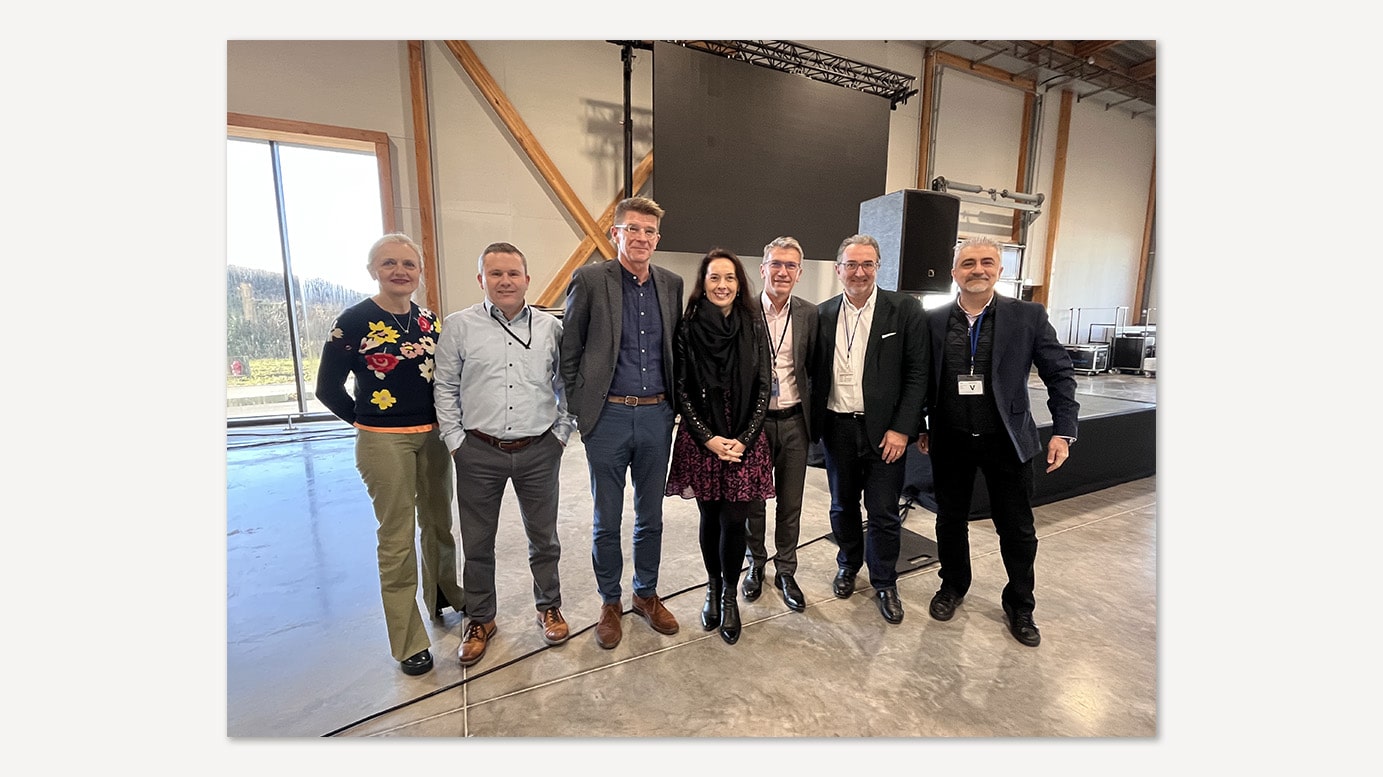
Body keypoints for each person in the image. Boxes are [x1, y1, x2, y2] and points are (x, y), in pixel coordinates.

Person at [314, 232, 465, 677]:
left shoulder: (430, 322)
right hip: (385, 440)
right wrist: (367, 422)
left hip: (434, 436)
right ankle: (408, 640)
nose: (400, 271)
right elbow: (327, 388)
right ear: (372, 270)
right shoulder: (354, 321)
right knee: (396, 537)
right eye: (389, 264)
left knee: (439, 522)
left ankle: (443, 594)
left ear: (419, 272)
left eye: (408, 264)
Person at [917, 236, 1079, 648]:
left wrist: (1064, 429)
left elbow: (1060, 374)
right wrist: (921, 424)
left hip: (1006, 439)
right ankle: (953, 585)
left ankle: (1021, 604)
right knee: (949, 519)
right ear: (954, 273)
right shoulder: (933, 320)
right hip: (950, 438)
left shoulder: (1027, 316)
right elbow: (920, 379)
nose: (978, 270)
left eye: (987, 262)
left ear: (999, 270)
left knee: (1017, 527)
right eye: (968, 263)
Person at [433, 242, 575, 668]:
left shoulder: (551, 328)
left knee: (544, 538)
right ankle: (480, 619)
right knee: (478, 543)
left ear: (527, 279)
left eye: (513, 273)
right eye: (495, 274)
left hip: (538, 450)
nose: (505, 281)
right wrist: (455, 441)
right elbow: (444, 386)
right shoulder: (459, 327)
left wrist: (562, 433)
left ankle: (548, 606)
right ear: (481, 280)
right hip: (478, 451)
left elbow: (566, 383)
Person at [561, 196, 684, 649]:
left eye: (650, 232)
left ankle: (645, 594)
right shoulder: (591, 279)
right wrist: (579, 409)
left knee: (651, 516)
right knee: (606, 519)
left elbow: (676, 350)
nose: (642, 239)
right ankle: (609, 601)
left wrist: (672, 408)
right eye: (633, 229)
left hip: (656, 415)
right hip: (608, 415)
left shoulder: (671, 284)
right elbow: (568, 350)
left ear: (657, 238)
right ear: (615, 234)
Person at [810, 234, 929, 625]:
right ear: (838, 269)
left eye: (868, 264)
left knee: (882, 512)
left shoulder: (904, 309)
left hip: (885, 435)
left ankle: (884, 581)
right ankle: (848, 563)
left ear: (878, 267)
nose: (859, 272)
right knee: (842, 506)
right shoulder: (822, 314)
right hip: (837, 428)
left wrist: (902, 430)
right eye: (852, 265)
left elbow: (917, 375)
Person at [665, 249, 775, 644]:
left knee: (734, 521)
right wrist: (709, 439)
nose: (723, 285)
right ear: (703, 282)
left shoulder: (753, 323)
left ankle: (729, 595)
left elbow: (765, 385)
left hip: (745, 438)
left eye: (729, 278)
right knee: (710, 519)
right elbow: (681, 390)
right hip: (703, 439)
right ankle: (713, 588)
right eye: (715, 278)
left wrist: (743, 440)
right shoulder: (688, 327)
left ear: (740, 283)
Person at [742, 236, 817, 613]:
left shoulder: (810, 314)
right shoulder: (743, 312)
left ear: (799, 273)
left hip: (793, 423)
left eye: (790, 266)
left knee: (791, 503)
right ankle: (755, 564)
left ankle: (786, 569)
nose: (783, 271)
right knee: (753, 502)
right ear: (763, 269)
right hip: (753, 426)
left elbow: (815, 370)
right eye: (776, 264)